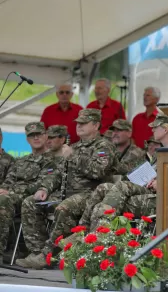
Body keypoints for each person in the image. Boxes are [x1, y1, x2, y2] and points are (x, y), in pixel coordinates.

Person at [21, 109, 118, 269]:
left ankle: (48, 255)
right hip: (67, 194)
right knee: (30, 202)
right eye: (77, 123)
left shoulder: (104, 146)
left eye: (83, 123)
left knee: (64, 207)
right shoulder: (75, 146)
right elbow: (58, 173)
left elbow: (99, 171)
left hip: (92, 195)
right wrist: (45, 187)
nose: (78, 126)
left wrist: (73, 156)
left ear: (95, 125)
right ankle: (37, 251)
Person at [78, 115, 168, 231]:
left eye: (155, 127)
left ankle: (101, 233)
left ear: (165, 130)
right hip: (145, 187)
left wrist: (160, 183)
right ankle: (82, 230)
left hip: (160, 194)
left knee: (121, 188)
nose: (152, 130)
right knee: (103, 188)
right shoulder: (159, 152)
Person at [0, 122, 58, 264]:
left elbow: (42, 183)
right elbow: (9, 180)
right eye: (32, 135)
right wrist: (4, 190)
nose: (36, 137)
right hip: (11, 196)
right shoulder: (21, 161)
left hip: (32, 198)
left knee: (3, 201)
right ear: (27, 139)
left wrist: (9, 192)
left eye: (39, 134)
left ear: (45, 136)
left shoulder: (54, 160)